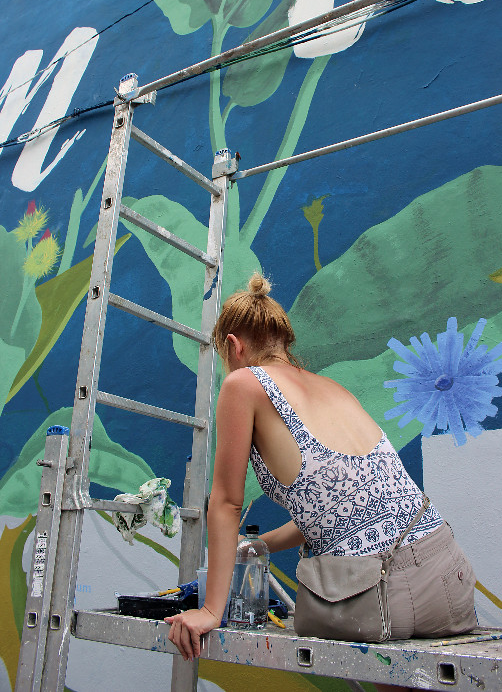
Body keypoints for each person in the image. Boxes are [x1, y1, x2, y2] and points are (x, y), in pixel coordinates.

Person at [165, 273, 476, 692]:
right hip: (447, 575)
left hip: (382, 590)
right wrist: (261, 545)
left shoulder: (244, 384)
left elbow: (224, 503)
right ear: (283, 341)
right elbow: (339, 506)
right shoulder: (334, 388)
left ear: (235, 346)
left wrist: (211, 610)